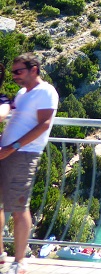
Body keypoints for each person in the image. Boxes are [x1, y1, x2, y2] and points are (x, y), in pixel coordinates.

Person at [0, 54, 59, 274]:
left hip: (23, 154)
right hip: (6, 152)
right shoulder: (22, 93)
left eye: (18, 71)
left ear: (33, 69)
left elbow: (44, 124)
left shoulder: (46, 91)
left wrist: (12, 147)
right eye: (13, 72)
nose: (14, 76)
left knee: (18, 208)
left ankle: (20, 262)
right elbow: (15, 119)